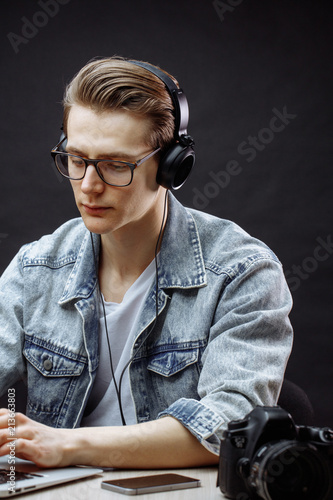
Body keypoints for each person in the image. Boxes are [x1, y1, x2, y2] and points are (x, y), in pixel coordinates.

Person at [0, 56, 293, 469]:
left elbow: (233, 425)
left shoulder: (243, 272)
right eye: (77, 159)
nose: (88, 186)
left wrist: (65, 445)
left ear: (172, 166)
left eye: (116, 165)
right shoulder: (37, 269)